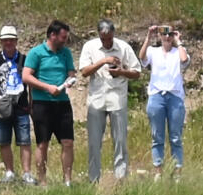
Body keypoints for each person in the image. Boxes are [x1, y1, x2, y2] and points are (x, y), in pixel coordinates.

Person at [78, 19, 141, 183]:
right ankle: (94, 179)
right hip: (96, 100)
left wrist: (121, 72)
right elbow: (84, 72)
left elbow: (137, 72)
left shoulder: (123, 47)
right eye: (103, 39)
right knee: (94, 142)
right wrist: (103, 62)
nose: (106, 42)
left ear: (114, 34)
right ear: (98, 35)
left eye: (109, 38)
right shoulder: (90, 47)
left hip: (117, 99)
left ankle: (121, 178)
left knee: (120, 140)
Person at [23, 20, 77, 186]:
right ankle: (43, 181)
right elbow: (26, 76)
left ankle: (67, 180)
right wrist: (47, 87)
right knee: (42, 143)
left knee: (68, 142)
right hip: (42, 103)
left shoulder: (66, 53)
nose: (65, 40)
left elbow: (71, 73)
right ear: (52, 35)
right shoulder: (36, 53)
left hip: (62, 102)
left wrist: (69, 81)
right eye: (62, 37)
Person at [0, 25, 33, 183]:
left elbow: (33, 79)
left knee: (25, 141)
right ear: (1, 42)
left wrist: (32, 103)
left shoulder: (25, 59)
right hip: (2, 106)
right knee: (4, 141)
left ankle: (27, 173)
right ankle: (9, 172)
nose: (8, 43)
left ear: (16, 41)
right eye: (5, 40)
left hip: (21, 105)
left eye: (11, 40)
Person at [140, 24, 188, 173]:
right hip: (157, 96)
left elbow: (184, 60)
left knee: (176, 137)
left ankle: (177, 171)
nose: (167, 37)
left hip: (174, 96)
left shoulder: (178, 51)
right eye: (164, 33)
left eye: (170, 34)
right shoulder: (153, 51)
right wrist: (148, 37)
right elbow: (142, 58)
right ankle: (158, 170)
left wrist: (178, 42)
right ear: (159, 36)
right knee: (157, 136)